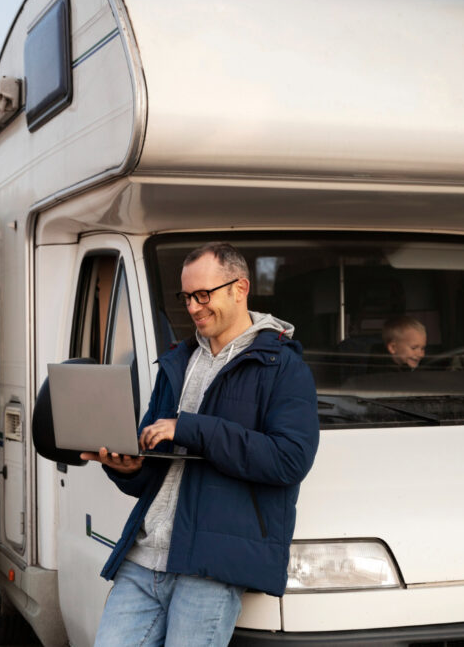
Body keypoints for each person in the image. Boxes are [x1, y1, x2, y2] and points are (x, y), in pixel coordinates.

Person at [81, 241, 319, 647]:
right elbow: (158, 460)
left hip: (210, 567)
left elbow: (288, 460)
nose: (192, 307)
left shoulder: (283, 366)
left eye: (203, 295)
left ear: (240, 288)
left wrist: (190, 428)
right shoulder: (178, 361)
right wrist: (129, 468)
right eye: (187, 296)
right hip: (144, 560)